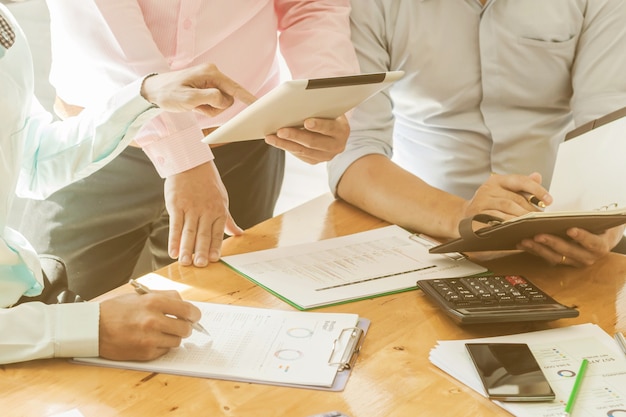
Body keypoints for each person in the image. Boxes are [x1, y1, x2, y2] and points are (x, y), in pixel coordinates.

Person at [15, 0, 360, 299]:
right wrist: (184, 156)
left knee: (228, 317)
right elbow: (104, 16)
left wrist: (325, 100)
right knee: (51, 310)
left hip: (240, 145)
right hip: (94, 147)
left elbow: (311, 5)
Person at [0, 4, 258, 365]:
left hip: (23, 299)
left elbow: (32, 160)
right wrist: (89, 328)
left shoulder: (5, 27)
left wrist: (145, 96)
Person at [328, 0, 626, 268]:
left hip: (564, 230)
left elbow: (611, 125)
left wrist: (609, 224)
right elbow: (354, 150)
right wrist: (462, 215)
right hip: (423, 231)